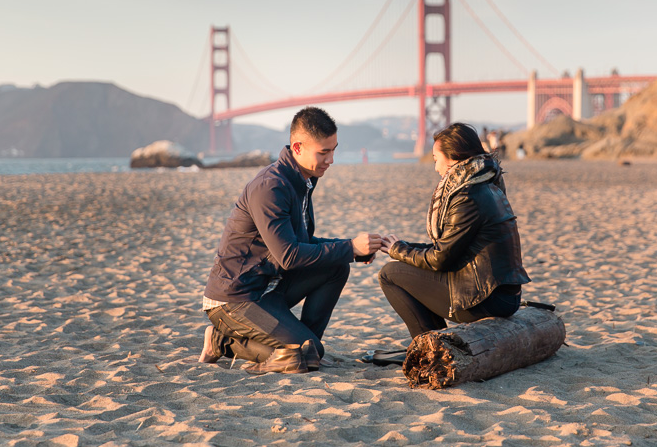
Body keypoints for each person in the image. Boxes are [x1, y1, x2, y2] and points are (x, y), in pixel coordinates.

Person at [199, 107, 381, 373]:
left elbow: (304, 242)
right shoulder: (270, 187)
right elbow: (290, 256)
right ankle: (222, 341)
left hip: (268, 287)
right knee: (308, 354)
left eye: (333, 150)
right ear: (298, 147)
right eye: (323, 152)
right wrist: (350, 246)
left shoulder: (302, 181)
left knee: (336, 267)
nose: (331, 159)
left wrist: (352, 251)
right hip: (235, 298)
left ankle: (306, 345)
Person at [378, 122, 531, 340]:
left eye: (436, 160)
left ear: (454, 158)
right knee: (405, 266)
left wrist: (399, 250)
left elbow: (441, 259)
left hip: (487, 300)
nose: (436, 168)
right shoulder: (487, 185)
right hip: (502, 294)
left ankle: (430, 345)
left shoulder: (467, 196)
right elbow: (449, 249)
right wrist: (402, 247)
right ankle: (438, 341)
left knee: (389, 274)